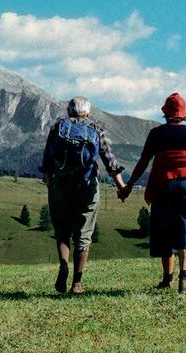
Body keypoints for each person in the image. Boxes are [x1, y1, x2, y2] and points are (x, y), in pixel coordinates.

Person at [118, 92, 186, 293]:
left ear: (165, 114)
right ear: (183, 115)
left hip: (164, 186)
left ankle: (167, 279)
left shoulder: (156, 134)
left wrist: (129, 184)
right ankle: (185, 277)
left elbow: (143, 162)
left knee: (165, 231)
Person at [42, 97, 126, 294]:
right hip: (86, 187)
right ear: (87, 112)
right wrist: (121, 186)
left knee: (62, 231)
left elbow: (47, 158)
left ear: (69, 110)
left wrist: (50, 183)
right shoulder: (96, 128)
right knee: (84, 234)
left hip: (60, 186)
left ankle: (63, 264)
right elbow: (109, 160)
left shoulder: (58, 127)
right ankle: (77, 283)